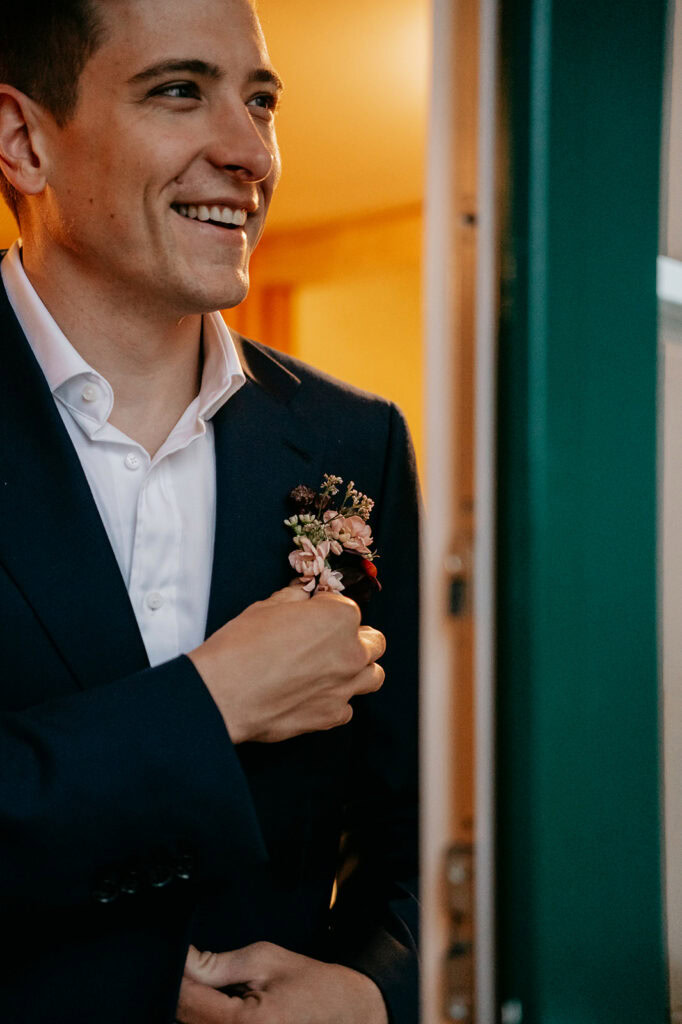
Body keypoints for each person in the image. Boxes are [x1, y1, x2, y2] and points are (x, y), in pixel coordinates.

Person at [0, 1, 419, 1022]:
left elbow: (430, 823)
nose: (249, 151)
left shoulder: (353, 443)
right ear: (25, 143)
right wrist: (210, 701)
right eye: (179, 91)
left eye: (261, 101)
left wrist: (373, 987)